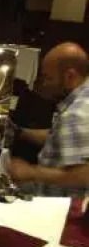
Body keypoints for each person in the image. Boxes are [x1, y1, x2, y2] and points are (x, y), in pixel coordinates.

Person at [9, 42, 89, 197]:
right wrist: (21, 132)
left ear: (70, 76)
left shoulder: (77, 114)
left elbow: (84, 176)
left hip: (59, 205)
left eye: (48, 78)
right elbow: (64, 136)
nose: (44, 84)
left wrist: (30, 172)